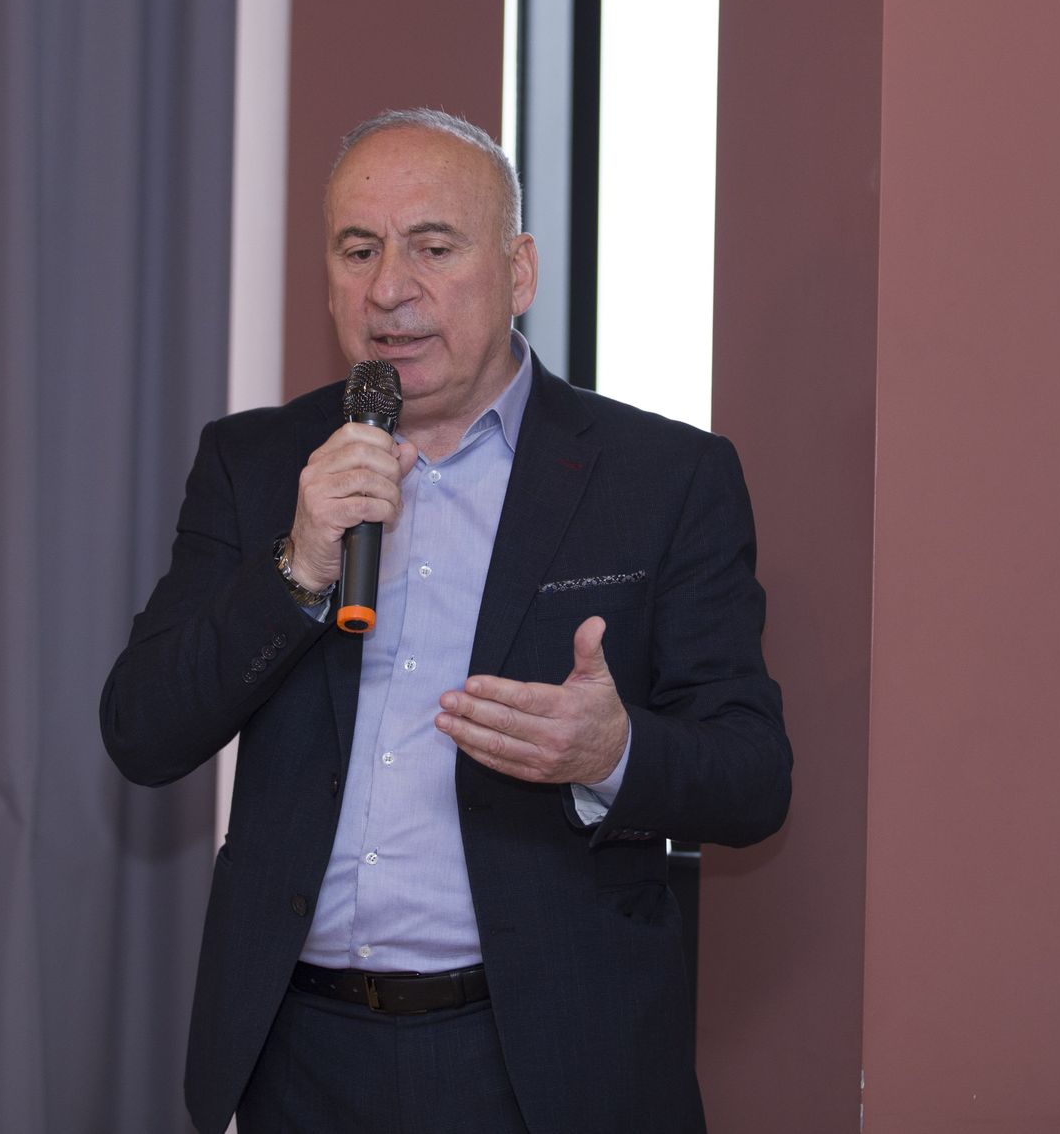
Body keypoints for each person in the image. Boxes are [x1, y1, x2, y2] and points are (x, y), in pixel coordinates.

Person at [100, 108, 790, 1134]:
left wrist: (610, 753)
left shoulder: (660, 477)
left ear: (518, 272)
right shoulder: (256, 464)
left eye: (432, 247)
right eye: (358, 250)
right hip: (299, 1053)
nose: (389, 289)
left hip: (544, 1060)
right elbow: (142, 732)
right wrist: (296, 566)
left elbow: (751, 773)